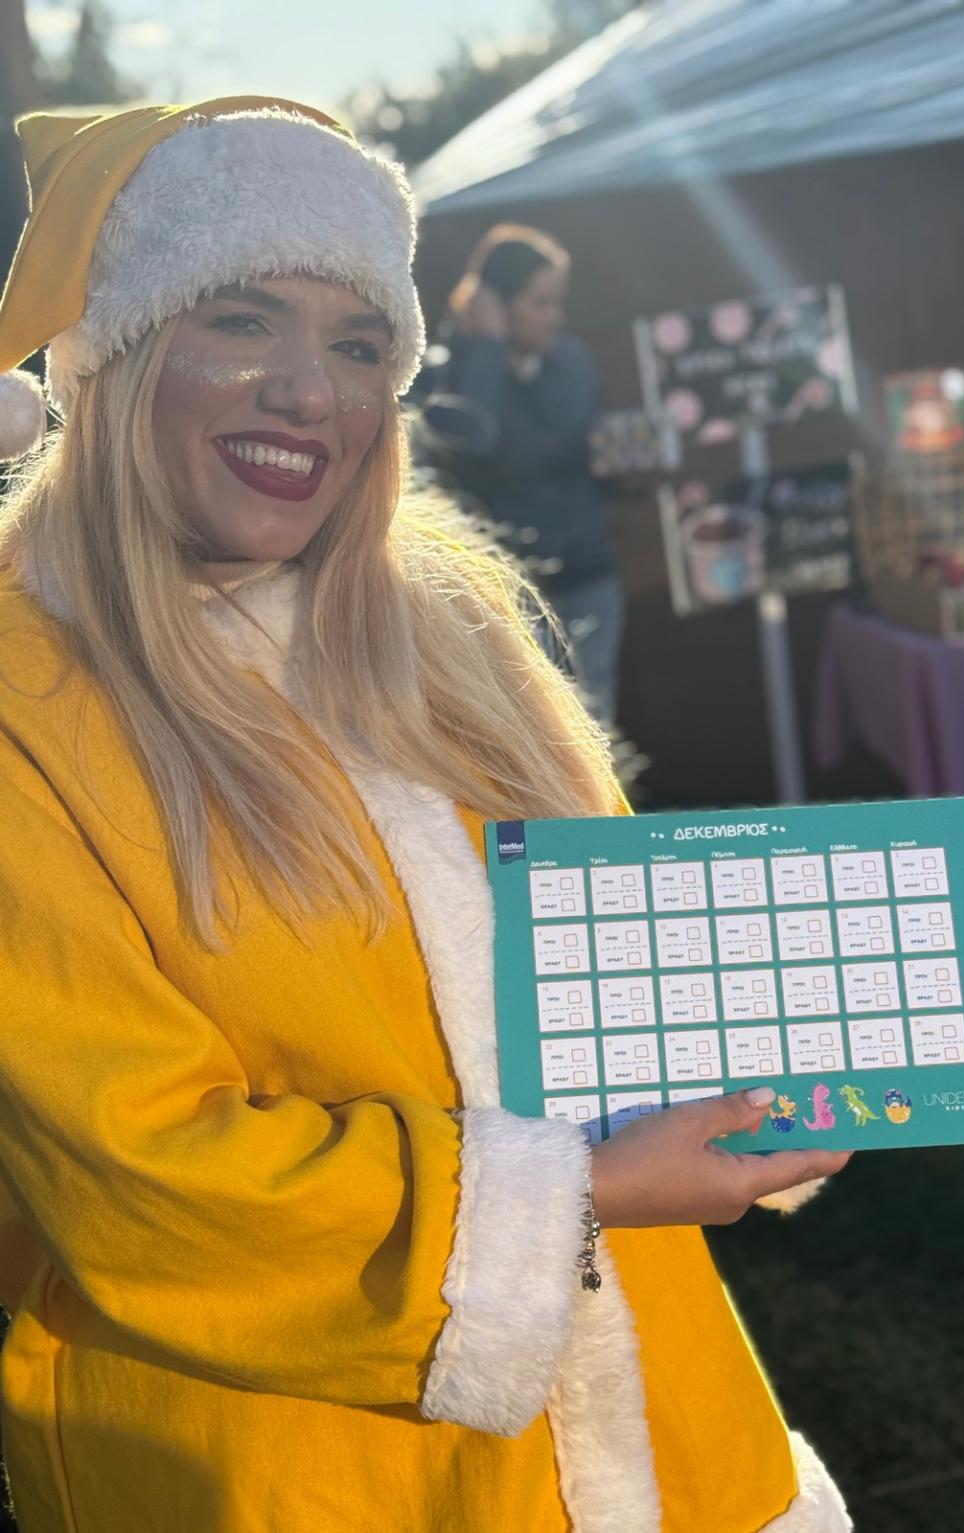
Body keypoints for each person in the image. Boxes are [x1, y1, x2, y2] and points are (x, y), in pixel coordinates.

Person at [0, 99, 852, 1533]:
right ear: (114, 353)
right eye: (241, 320)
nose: (308, 391)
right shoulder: (24, 693)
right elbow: (133, 1169)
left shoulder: (447, 626)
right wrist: (578, 1191)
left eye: (356, 344)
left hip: (657, 1426)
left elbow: (613, 950)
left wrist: (804, 1032)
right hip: (285, 1470)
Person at [423, 224, 625, 724]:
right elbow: (477, 438)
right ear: (495, 302)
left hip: (586, 575)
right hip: (508, 591)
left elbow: (567, 435)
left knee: (594, 719)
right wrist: (488, 348)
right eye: (540, 303)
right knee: (531, 726)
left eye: (558, 303)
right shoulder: (448, 369)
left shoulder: (569, 361)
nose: (555, 317)